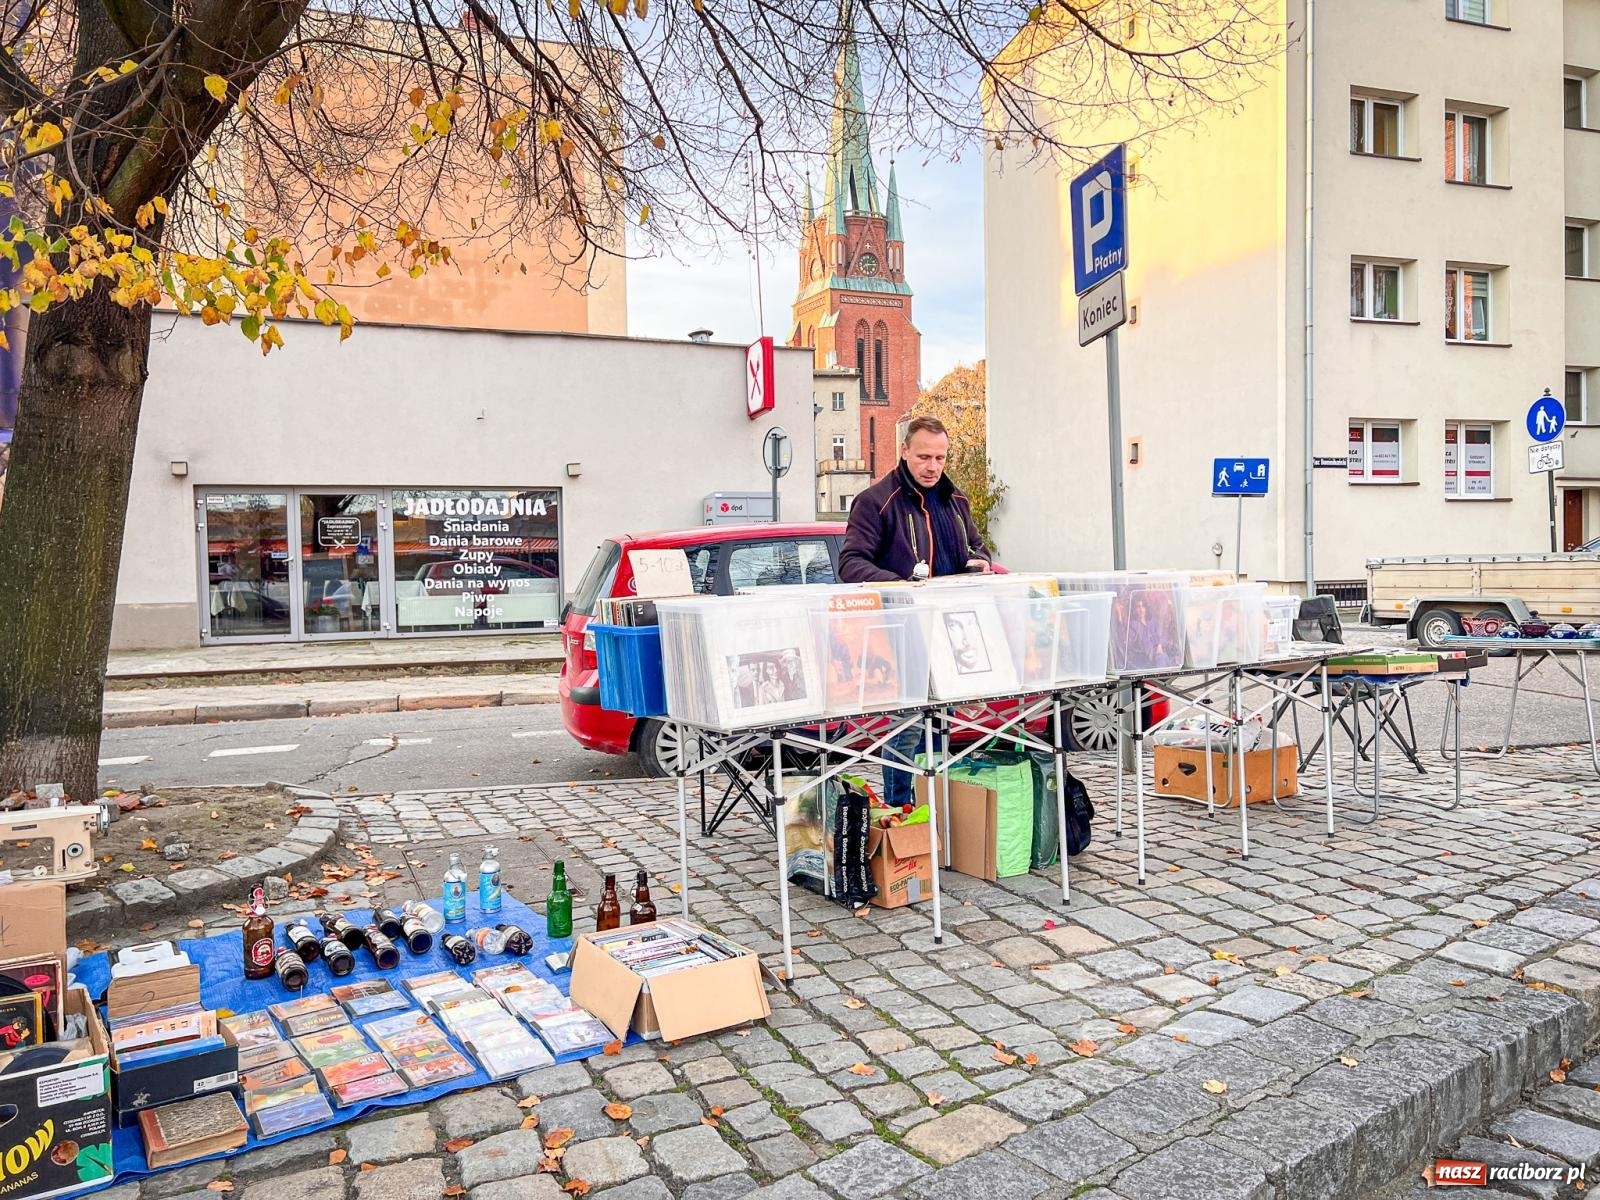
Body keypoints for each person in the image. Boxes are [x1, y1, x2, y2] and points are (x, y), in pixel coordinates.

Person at [841, 415, 992, 807]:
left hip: (952, 630)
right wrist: (901, 588)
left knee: (941, 725)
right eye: (924, 456)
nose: (932, 466)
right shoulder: (875, 501)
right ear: (904, 451)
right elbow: (851, 563)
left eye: (940, 458)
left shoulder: (957, 500)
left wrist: (980, 562)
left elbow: (979, 547)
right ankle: (900, 810)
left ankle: (938, 807)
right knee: (906, 728)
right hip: (901, 630)